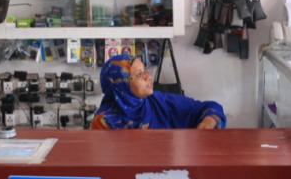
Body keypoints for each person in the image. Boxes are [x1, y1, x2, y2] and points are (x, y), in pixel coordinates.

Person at [91, 54, 226, 130]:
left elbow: (208, 107)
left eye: (145, 71)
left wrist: (209, 121)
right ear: (121, 85)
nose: (148, 77)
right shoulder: (103, 123)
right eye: (139, 75)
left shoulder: (158, 102)